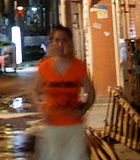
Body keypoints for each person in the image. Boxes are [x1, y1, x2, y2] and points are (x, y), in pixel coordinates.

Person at [32, 25, 95, 160]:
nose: (61, 44)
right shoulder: (45, 67)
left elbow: (91, 92)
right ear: (52, 43)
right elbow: (35, 91)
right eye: (57, 40)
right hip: (53, 127)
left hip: (74, 127)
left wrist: (83, 110)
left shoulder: (78, 66)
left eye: (64, 40)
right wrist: (41, 108)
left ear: (70, 43)